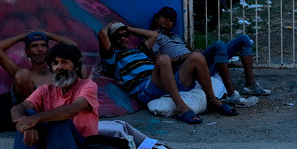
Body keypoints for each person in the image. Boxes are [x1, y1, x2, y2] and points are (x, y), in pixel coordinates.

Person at [0, 43, 99, 149]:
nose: (59, 67)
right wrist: (27, 125)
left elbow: (73, 109)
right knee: (26, 112)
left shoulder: (87, 85)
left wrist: (37, 118)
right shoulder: (45, 90)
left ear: (76, 66)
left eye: (65, 62)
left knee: (59, 117)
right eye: (55, 63)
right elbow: (17, 108)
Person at [98, 21, 237, 125]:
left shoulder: (139, 50)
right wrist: (111, 25)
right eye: (118, 36)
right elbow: (103, 34)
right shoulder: (113, 57)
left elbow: (154, 35)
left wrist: (126, 28)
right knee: (163, 59)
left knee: (196, 56)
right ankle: (182, 107)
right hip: (145, 88)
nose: (123, 38)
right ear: (112, 40)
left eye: (125, 35)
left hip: (165, 81)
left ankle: (213, 100)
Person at [147, 6, 271, 107]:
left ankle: (250, 85)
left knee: (244, 39)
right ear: (157, 18)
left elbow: (184, 51)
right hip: (184, 70)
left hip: (195, 61)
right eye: (165, 17)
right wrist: (186, 56)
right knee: (219, 45)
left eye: (171, 19)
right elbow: (160, 61)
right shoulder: (154, 38)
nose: (168, 20)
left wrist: (194, 52)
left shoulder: (175, 37)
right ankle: (231, 93)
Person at [0, 30, 70, 101]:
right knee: (22, 74)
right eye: (35, 46)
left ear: (48, 50)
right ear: (27, 51)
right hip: (33, 113)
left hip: (60, 112)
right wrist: (24, 36)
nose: (40, 49)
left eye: (43, 45)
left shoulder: (58, 73)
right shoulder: (23, 75)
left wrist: (49, 35)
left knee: (80, 69)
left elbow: (73, 46)